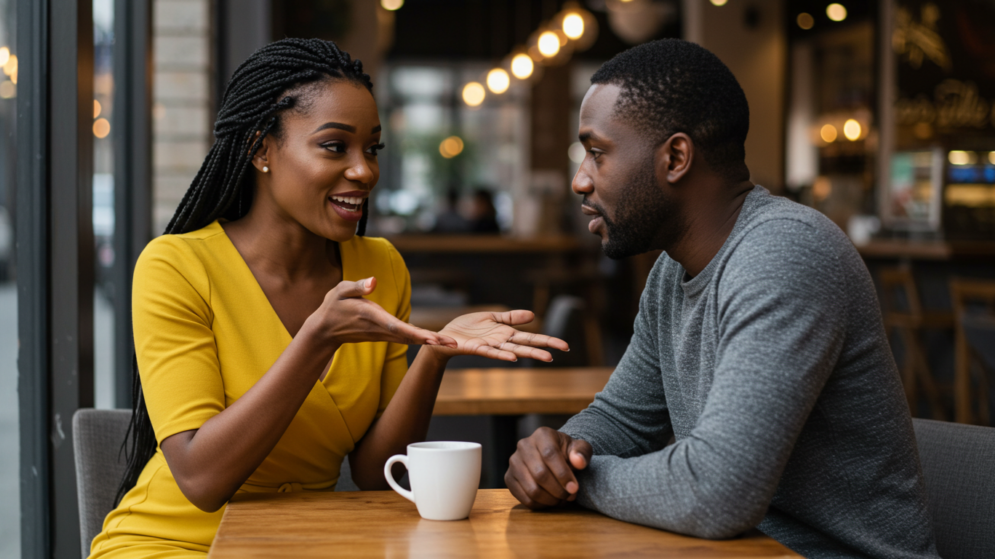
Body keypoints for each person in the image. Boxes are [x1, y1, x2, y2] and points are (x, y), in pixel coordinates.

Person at [90, 39, 567, 558]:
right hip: (175, 544)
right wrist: (316, 340)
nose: (364, 171)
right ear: (260, 149)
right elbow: (201, 479)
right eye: (335, 147)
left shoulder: (381, 267)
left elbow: (374, 475)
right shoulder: (177, 267)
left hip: (304, 542)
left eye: (373, 148)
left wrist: (435, 351)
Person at [504, 39, 938, 558]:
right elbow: (622, 419)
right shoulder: (671, 271)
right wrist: (556, 454)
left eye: (597, 153)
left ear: (676, 157)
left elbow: (715, 491)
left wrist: (580, 482)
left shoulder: (785, 253)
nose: (580, 180)